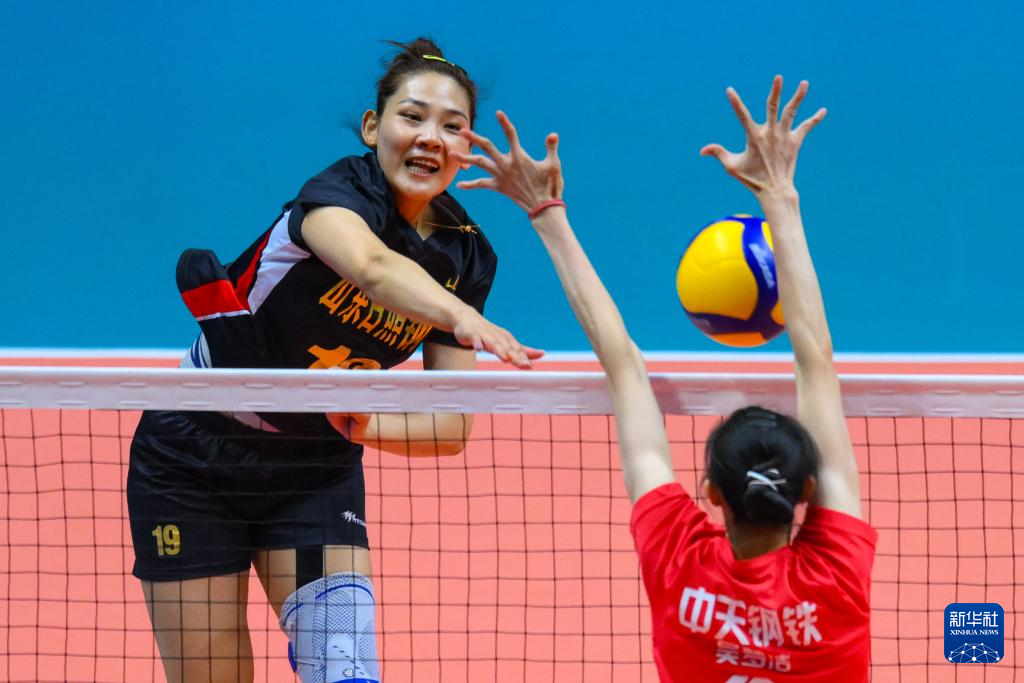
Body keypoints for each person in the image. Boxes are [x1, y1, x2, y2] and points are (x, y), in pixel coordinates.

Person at [127, 38, 542, 683]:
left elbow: (450, 427)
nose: (429, 137)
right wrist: (462, 317)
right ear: (374, 127)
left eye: (451, 126)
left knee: (344, 671)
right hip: (192, 456)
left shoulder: (466, 257)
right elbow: (373, 268)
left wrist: (364, 425)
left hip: (314, 470)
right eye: (412, 116)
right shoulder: (335, 195)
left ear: (466, 148)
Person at [454, 77, 876, 681]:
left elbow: (623, 365)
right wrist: (780, 194)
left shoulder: (679, 561)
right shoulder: (835, 577)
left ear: (710, 493)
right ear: (808, 490)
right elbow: (817, 362)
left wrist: (545, 212)